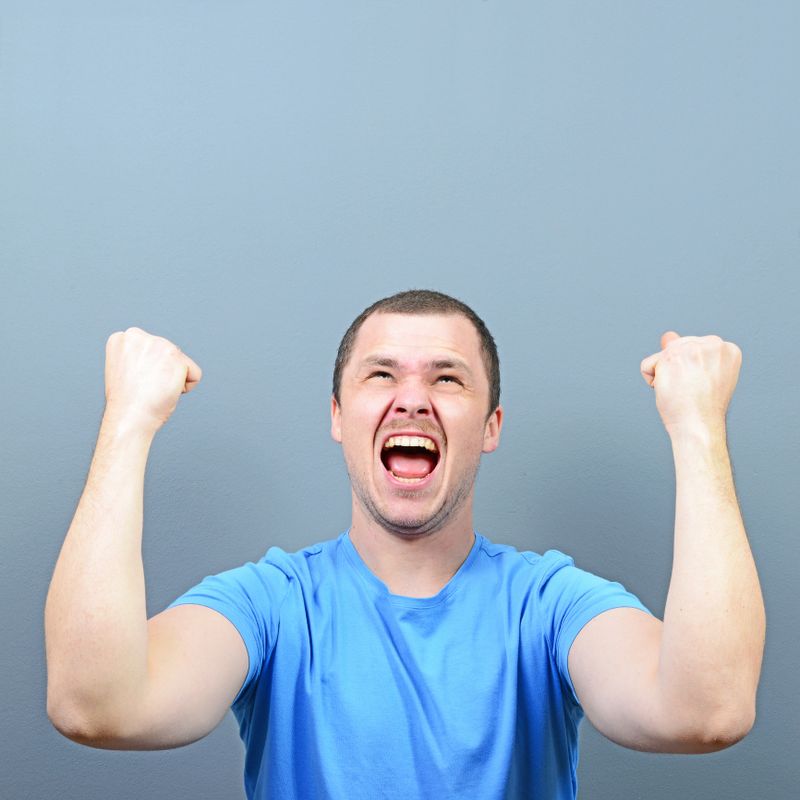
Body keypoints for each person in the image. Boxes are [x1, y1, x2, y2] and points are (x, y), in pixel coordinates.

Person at [45, 289, 765, 799]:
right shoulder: (271, 605)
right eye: (380, 374)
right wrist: (129, 422)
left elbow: (708, 711)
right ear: (338, 416)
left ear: (490, 427)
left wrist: (697, 428)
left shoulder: (549, 606)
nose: (412, 398)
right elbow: (94, 705)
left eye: (447, 379)